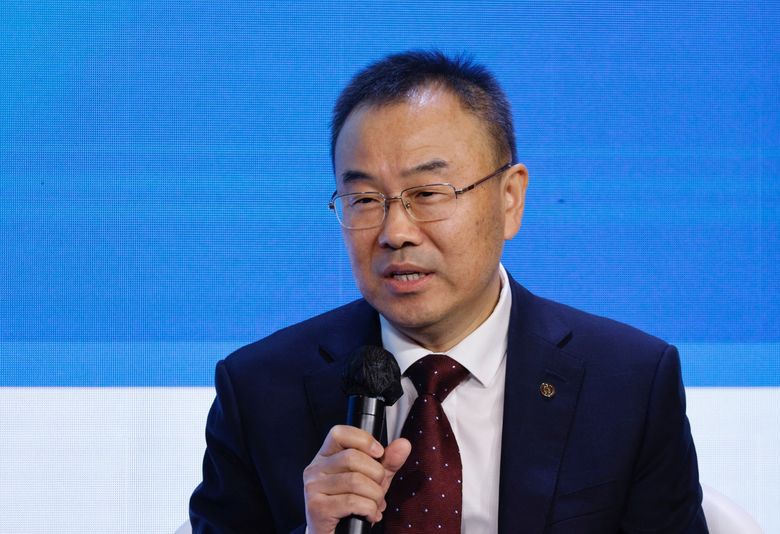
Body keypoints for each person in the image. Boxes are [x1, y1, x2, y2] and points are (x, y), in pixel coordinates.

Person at [189, 50, 707, 533]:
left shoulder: (628, 383)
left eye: (427, 194)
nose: (395, 231)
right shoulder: (257, 390)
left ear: (510, 199)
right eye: (364, 199)